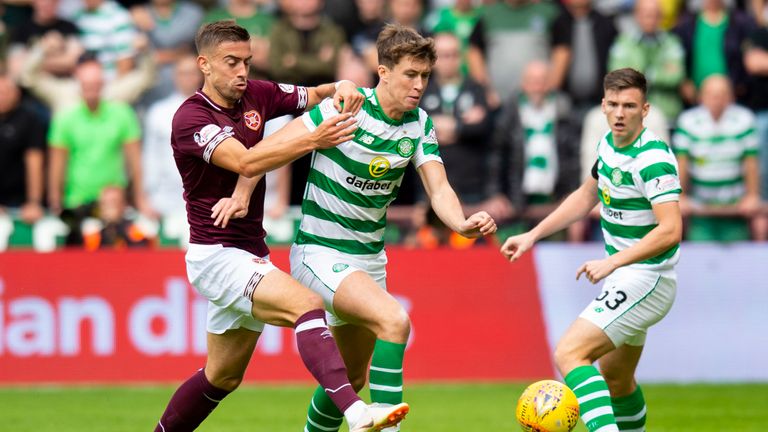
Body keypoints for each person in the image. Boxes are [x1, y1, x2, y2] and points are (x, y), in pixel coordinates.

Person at [154, 20, 408, 432]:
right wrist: (313, 140)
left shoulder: (257, 94)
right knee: (306, 305)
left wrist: (343, 85)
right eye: (231, 62)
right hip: (216, 256)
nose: (242, 72)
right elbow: (246, 161)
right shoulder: (191, 118)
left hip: (251, 252)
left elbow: (317, 94)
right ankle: (358, 413)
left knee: (222, 376)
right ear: (204, 64)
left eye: (247, 62)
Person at [286, 24, 497, 432]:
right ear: (383, 72)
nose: (419, 85)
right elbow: (277, 147)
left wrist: (461, 223)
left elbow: (439, 187)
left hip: (369, 260)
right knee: (395, 321)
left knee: (353, 377)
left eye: (424, 76)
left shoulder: (419, 124)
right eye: (410, 75)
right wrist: (242, 189)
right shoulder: (346, 106)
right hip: (319, 252)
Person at [501, 68, 682, 432]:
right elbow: (585, 196)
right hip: (628, 277)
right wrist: (533, 234)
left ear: (645, 109)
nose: (619, 113)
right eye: (613, 104)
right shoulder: (608, 145)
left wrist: (612, 261)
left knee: (569, 353)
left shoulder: (653, 159)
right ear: (602, 105)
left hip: (648, 278)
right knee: (616, 380)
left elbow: (671, 230)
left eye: (629, 106)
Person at [672, 74, 760, 241]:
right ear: (701, 97)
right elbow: (682, 163)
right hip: (700, 209)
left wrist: (752, 195)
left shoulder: (745, 120)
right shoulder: (687, 122)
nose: (717, 99)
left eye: (722, 94)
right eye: (712, 94)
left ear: (731, 97)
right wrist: (681, 197)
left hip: (735, 209)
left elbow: (751, 162)